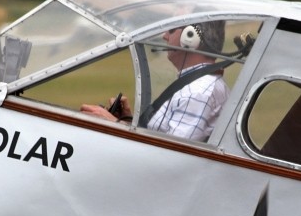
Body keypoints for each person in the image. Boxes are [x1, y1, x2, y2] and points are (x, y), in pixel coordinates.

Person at [80, 21, 230, 143]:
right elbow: (162, 139)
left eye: (171, 30)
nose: (164, 36)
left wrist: (113, 124)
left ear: (190, 38)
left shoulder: (197, 93)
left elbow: (171, 155)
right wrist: (127, 122)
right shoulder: (196, 84)